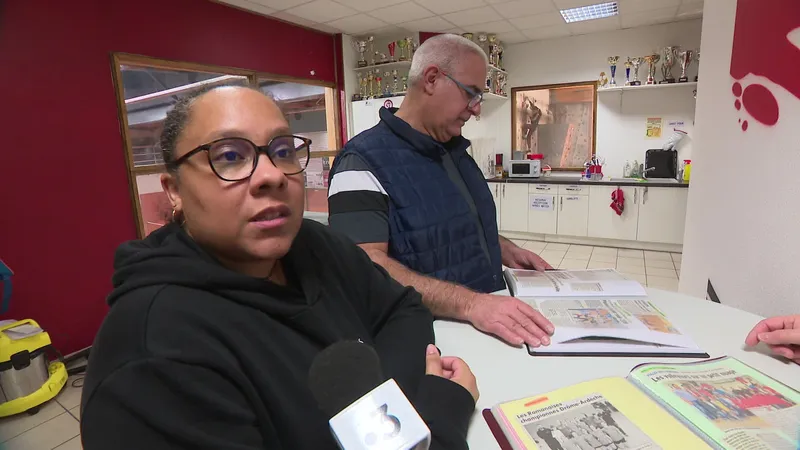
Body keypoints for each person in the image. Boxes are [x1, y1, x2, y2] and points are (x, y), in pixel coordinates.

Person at [80, 86, 478, 449]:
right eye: (230, 156)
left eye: (283, 150)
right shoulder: (152, 361)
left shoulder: (315, 245)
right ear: (174, 191)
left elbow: (402, 309)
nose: (272, 174)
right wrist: (438, 417)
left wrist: (382, 414)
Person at [327, 33, 555, 349]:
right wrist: (470, 304)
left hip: (485, 329)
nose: (476, 109)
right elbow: (365, 266)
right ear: (432, 79)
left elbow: (450, 224)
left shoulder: (454, 151)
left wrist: (503, 248)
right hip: (429, 345)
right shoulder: (360, 162)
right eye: (471, 94)